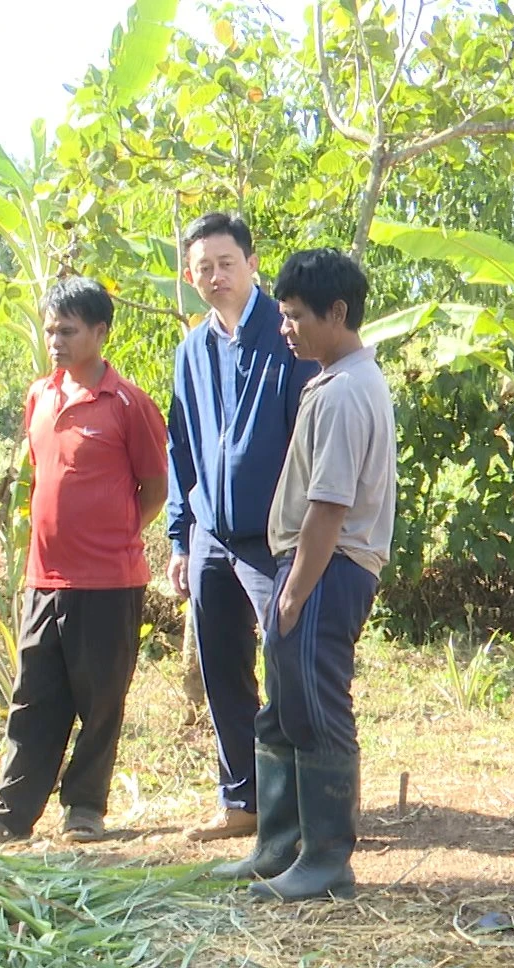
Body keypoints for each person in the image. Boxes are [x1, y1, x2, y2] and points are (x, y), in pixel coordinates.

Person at [222, 248, 396, 901]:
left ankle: (326, 858)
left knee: (318, 708)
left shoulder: (350, 391)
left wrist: (293, 593)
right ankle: (280, 845)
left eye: (295, 316)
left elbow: (330, 505)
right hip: (310, 565)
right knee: (284, 708)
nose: (285, 327)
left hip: (328, 566)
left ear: (338, 312)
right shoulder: (331, 379)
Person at [0, 277, 168, 845]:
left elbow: (154, 488)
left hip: (109, 581)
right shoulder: (40, 396)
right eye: (50, 328)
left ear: (100, 333)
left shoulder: (128, 404)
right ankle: (11, 814)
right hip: (43, 577)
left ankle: (85, 808)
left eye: (68, 329)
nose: (54, 339)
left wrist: (119, 533)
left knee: (101, 699)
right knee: (34, 697)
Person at [164, 214, 319, 843]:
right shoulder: (191, 350)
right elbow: (180, 447)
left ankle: (311, 798)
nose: (216, 276)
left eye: (227, 263)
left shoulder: (283, 337)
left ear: (252, 264)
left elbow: (310, 437)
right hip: (210, 535)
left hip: (274, 537)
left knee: (289, 660)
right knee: (222, 665)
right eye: (203, 267)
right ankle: (242, 801)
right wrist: (180, 535)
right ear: (189, 276)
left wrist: (308, 532)